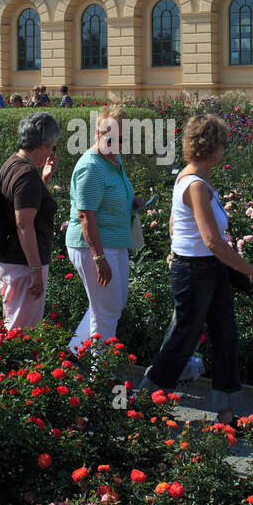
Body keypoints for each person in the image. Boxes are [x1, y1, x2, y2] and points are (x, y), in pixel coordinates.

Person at [137, 114, 253, 424]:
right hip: (197, 271)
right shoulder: (195, 184)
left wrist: (180, 248)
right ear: (212, 147)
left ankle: (226, 412)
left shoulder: (195, 179)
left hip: (207, 269)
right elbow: (212, 240)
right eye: (223, 144)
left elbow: (175, 225)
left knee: (225, 336)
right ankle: (145, 402)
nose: (225, 150)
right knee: (183, 338)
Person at [66, 105, 141, 355]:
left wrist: (132, 201)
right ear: (97, 134)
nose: (118, 143)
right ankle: (100, 374)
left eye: (122, 138)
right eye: (112, 139)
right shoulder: (91, 166)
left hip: (115, 242)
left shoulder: (113, 159)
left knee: (113, 304)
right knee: (106, 311)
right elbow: (86, 215)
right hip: (94, 245)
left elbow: (111, 196)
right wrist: (99, 258)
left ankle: (75, 352)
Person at [0, 112, 60, 331]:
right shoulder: (26, 175)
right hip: (22, 263)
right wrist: (36, 270)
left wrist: (44, 180)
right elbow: (24, 224)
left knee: (14, 323)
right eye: (51, 146)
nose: (51, 152)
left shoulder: (12, 163)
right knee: (22, 331)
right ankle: (15, 366)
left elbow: (24, 207)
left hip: (8, 257)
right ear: (40, 144)